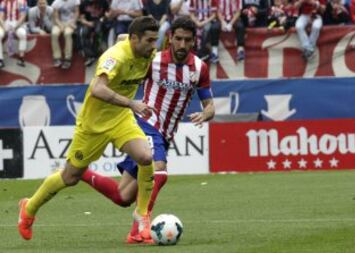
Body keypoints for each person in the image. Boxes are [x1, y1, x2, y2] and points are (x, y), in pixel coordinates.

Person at [17, 16, 160, 242]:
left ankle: (142, 216)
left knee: (145, 156)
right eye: (150, 41)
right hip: (93, 125)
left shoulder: (144, 50)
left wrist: (129, 107)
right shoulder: (115, 57)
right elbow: (97, 89)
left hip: (120, 119)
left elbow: (124, 38)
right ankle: (29, 208)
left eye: (156, 40)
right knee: (70, 176)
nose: (154, 46)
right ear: (135, 39)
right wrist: (133, 103)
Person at [80, 16, 215, 244]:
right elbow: (129, 42)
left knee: (123, 196)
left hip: (165, 134)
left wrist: (205, 114)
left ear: (194, 41)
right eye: (178, 39)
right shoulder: (152, 59)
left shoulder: (199, 68)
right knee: (159, 169)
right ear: (170, 37)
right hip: (146, 124)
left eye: (188, 40)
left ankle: (79, 171)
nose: (182, 45)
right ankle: (140, 228)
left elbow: (209, 105)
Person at [51, 0, 80, 69]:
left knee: (67, 34)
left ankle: (68, 58)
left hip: (71, 23)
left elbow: (77, 12)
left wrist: (73, 22)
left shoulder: (75, 1)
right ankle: (57, 57)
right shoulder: (56, 2)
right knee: (54, 34)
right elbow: (56, 17)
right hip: (60, 23)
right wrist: (60, 25)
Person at [0, 0, 28, 68]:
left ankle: (21, 58)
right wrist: (4, 26)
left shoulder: (22, 2)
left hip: (18, 24)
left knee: (23, 34)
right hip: (5, 23)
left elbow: (23, 17)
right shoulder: (3, 2)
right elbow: (1, 17)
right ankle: (0, 60)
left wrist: (15, 26)